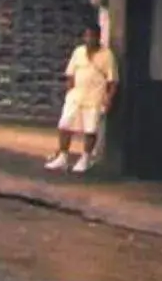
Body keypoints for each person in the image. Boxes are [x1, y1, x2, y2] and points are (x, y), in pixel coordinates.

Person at [49, 19, 118, 173]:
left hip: (95, 97)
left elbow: (112, 80)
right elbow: (70, 74)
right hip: (76, 95)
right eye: (87, 36)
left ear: (99, 37)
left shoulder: (107, 55)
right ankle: (63, 157)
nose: (90, 39)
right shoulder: (78, 52)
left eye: (93, 36)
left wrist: (109, 98)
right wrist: (70, 92)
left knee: (90, 129)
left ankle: (85, 158)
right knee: (64, 124)